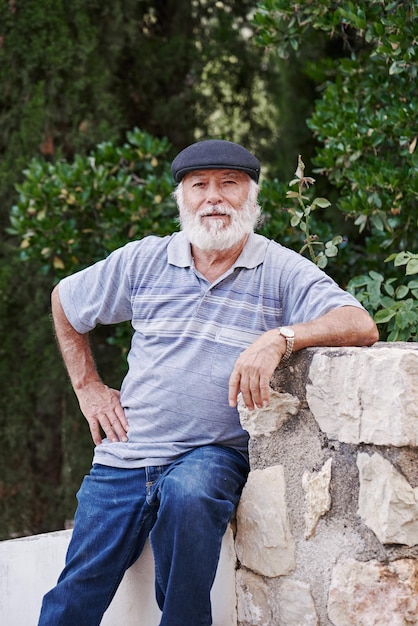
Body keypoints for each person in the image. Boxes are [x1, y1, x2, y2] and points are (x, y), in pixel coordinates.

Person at [38, 139, 378, 626]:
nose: (213, 197)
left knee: (190, 493)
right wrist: (88, 387)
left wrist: (280, 336)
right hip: (127, 452)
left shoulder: (278, 268)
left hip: (212, 453)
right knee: (73, 598)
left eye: (229, 184)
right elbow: (65, 303)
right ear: (183, 198)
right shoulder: (143, 261)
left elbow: (359, 323)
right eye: (199, 185)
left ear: (251, 196)